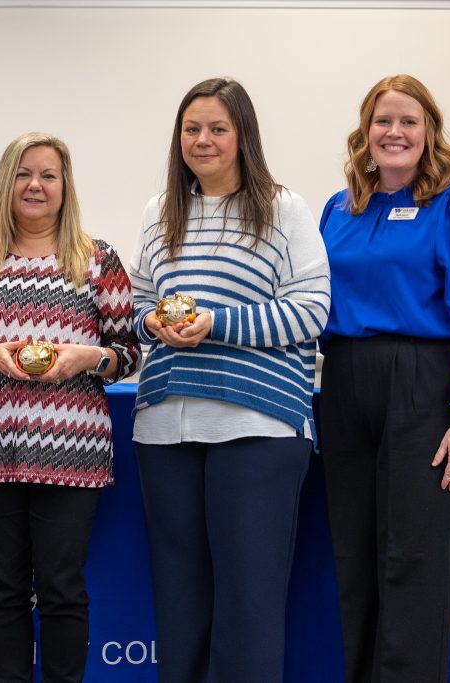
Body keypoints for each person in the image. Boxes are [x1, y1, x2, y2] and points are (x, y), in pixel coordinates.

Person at [129, 78, 331, 682]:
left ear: (243, 136)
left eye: (218, 128)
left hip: (258, 425)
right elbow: (139, 305)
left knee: (249, 602)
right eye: (192, 129)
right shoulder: (159, 212)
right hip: (164, 428)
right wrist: (153, 322)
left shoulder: (283, 209)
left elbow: (312, 310)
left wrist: (216, 323)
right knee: (180, 603)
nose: (203, 140)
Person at [318, 74, 450, 682]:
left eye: (409, 121)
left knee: (416, 558)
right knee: (356, 556)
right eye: (383, 121)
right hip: (345, 384)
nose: (395, 132)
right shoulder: (339, 209)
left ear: (429, 131)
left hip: (423, 387)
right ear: (365, 132)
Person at [0, 132, 140, 682]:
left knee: (61, 589)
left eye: (48, 175)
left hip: (72, 455)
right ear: (7, 184)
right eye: (24, 174)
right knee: (1, 590)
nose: (35, 185)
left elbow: (127, 354)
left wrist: (86, 358)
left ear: (65, 186)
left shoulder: (98, 260)